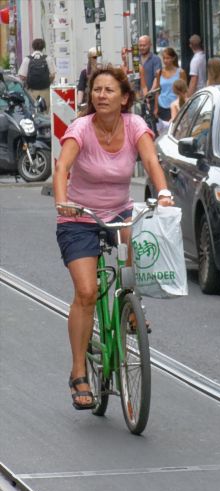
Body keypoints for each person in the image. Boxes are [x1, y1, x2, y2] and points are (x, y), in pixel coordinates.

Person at [52, 65, 174, 410]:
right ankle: (79, 373)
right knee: (87, 292)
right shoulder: (81, 128)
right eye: (96, 90)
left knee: (137, 233)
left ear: (124, 98)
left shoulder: (136, 126)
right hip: (79, 217)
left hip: (119, 212)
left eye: (109, 90)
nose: (101, 96)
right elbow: (62, 167)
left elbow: (151, 162)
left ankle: (131, 305)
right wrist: (63, 202)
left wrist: (162, 192)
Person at [18, 38, 56, 112]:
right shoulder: (48, 59)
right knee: (44, 111)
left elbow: (22, 76)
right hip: (45, 90)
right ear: (43, 47)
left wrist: (28, 80)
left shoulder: (27, 59)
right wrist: (48, 82)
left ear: (33, 47)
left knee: (33, 111)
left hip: (31, 91)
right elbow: (52, 75)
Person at [154, 47, 186, 133]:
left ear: (173, 58)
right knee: (162, 131)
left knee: (175, 131)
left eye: (167, 58)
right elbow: (157, 90)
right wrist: (156, 107)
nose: (165, 61)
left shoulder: (180, 72)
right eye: (164, 58)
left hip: (175, 105)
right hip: (162, 105)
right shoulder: (159, 72)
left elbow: (184, 91)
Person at [137, 35, 161, 100]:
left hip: (152, 98)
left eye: (144, 45)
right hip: (138, 98)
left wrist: (150, 93)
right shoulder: (135, 59)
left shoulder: (156, 59)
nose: (142, 47)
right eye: (140, 45)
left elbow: (156, 78)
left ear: (150, 45)